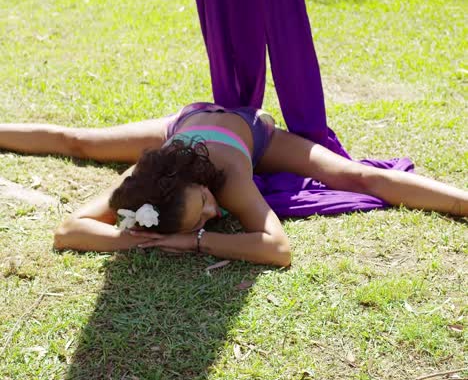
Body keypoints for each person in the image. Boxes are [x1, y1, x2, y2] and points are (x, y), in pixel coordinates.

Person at [1, 101, 466, 267]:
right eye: (205, 216)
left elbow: (277, 249)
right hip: (182, 125)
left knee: (358, 176)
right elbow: (67, 231)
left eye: (205, 205)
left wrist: (193, 241)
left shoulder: (228, 177)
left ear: (203, 183)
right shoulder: (144, 180)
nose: (215, 214)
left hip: (251, 132)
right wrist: (142, 237)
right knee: (76, 142)